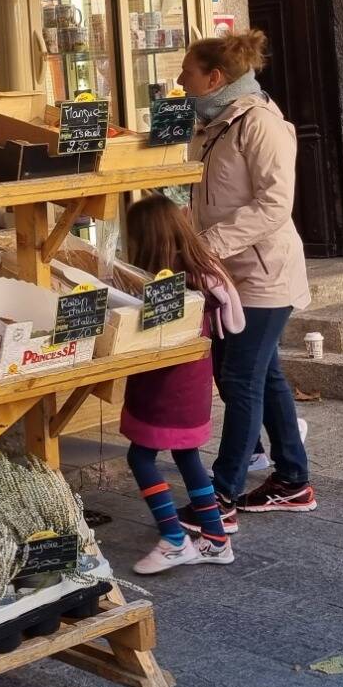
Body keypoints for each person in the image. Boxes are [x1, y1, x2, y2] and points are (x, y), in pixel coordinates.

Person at [180, 29, 316, 516]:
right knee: (264, 375)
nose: (180, 80)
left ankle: (222, 492)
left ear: (214, 77)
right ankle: (293, 479)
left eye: (188, 72)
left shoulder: (260, 122)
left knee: (239, 380)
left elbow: (276, 203)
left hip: (263, 276)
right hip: (230, 275)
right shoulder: (218, 123)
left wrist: (207, 246)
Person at [119, 196, 245, 574]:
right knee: (187, 454)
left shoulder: (168, 282)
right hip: (194, 382)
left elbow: (152, 334)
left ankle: (174, 539)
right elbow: (235, 321)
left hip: (165, 387)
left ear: (148, 237)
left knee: (139, 457)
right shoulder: (203, 270)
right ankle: (216, 539)